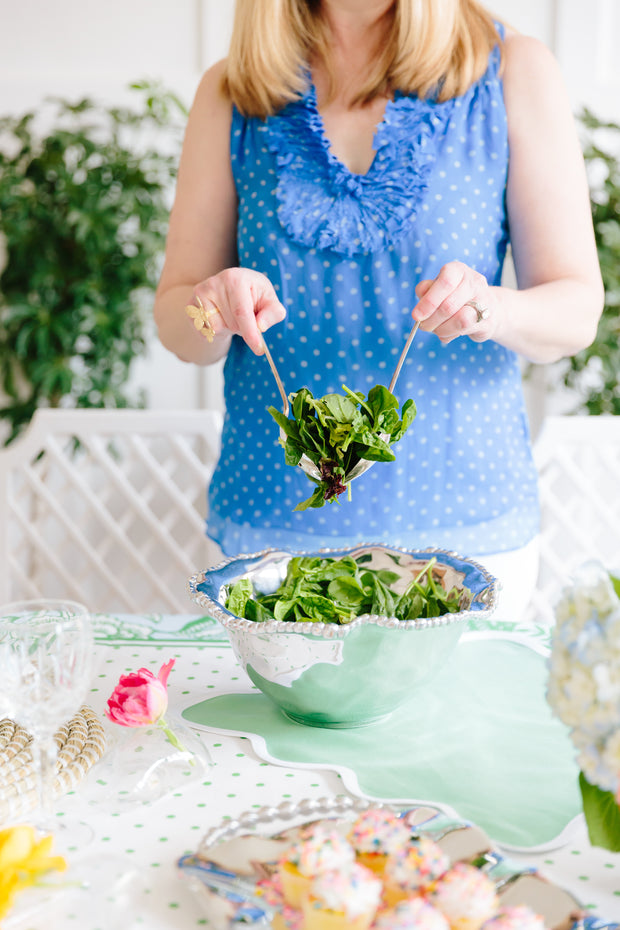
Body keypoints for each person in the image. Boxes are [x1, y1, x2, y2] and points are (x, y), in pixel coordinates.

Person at [154, 0, 604, 620]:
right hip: (270, 545)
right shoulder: (232, 94)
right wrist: (212, 307)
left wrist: (490, 309)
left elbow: (576, 311)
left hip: (467, 544)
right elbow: (180, 324)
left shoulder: (511, 71)